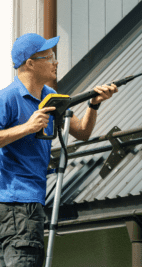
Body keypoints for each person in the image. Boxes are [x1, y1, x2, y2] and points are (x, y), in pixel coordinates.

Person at [0, 33, 118, 266]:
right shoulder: (8, 98)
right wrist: (27, 127)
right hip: (16, 203)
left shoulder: (51, 97)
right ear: (30, 64)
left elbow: (82, 132)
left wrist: (94, 104)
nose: (55, 62)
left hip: (29, 204)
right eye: (49, 57)